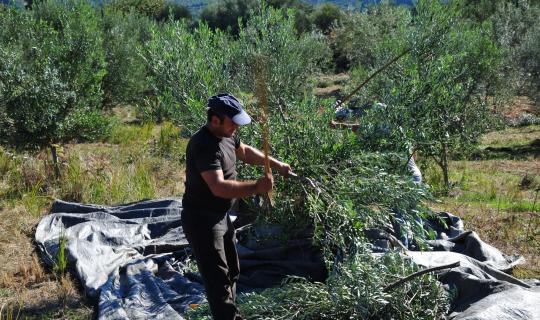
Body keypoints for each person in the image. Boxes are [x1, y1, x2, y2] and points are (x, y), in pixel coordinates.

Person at [181, 93, 291, 320]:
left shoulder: (227, 134)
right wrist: (256, 187)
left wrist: (275, 164)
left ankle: (229, 315)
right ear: (215, 120)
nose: (236, 128)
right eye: (233, 123)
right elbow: (219, 187)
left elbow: (245, 151)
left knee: (232, 269)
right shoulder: (203, 145)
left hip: (221, 215)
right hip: (202, 220)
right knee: (217, 280)